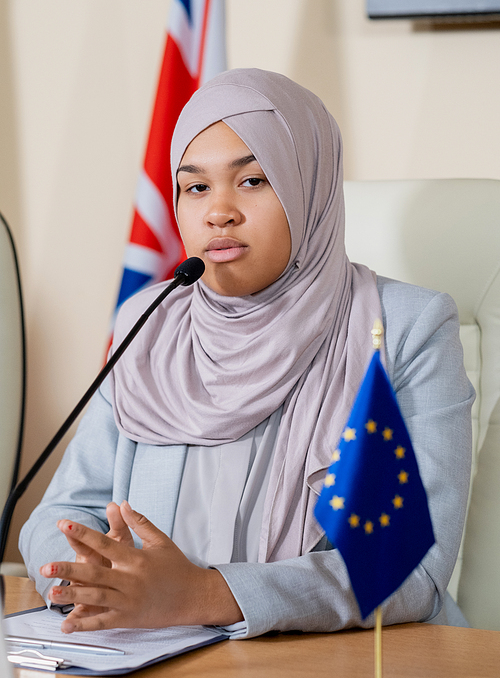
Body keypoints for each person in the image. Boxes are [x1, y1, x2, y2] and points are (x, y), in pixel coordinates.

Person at [20, 68, 474, 638]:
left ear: (309, 188)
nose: (219, 213)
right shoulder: (152, 321)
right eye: (196, 187)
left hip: (328, 667)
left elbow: (413, 570)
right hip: (149, 655)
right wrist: (86, 577)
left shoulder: (405, 328)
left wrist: (208, 595)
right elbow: (60, 515)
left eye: (254, 181)